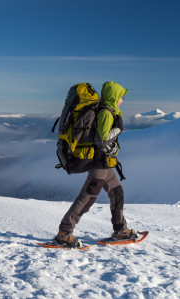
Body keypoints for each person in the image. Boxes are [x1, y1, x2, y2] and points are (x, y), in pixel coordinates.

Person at [54, 81, 136, 247]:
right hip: (99, 162)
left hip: (105, 163)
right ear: (114, 96)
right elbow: (101, 140)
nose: (122, 100)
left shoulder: (110, 111)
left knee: (117, 193)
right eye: (121, 97)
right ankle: (64, 233)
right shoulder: (106, 113)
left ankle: (120, 229)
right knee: (87, 197)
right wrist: (118, 130)